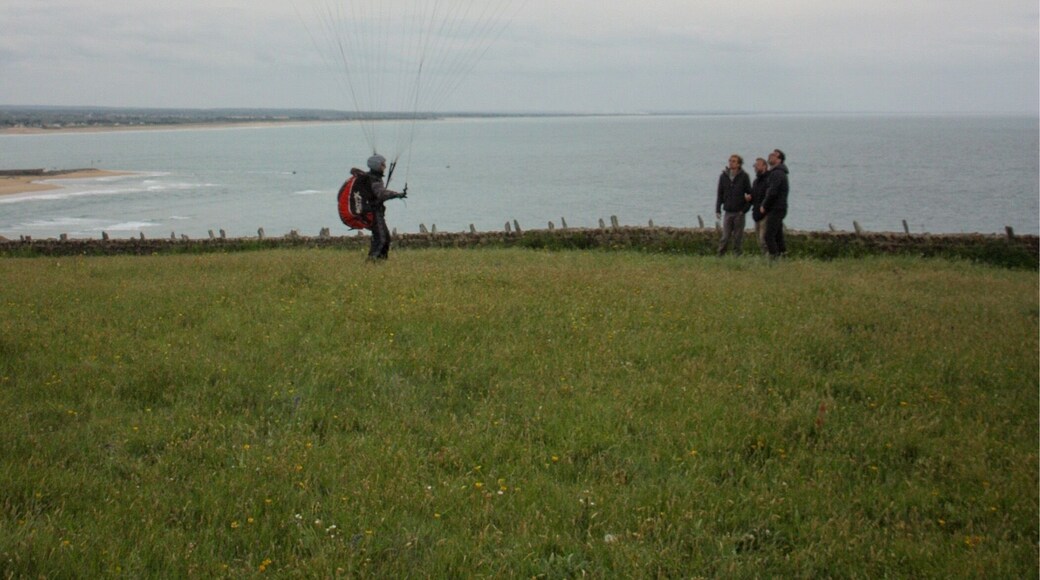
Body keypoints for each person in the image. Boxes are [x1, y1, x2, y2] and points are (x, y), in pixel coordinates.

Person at [363, 154, 407, 261]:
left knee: (385, 238)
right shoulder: (374, 180)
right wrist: (397, 194)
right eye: (383, 165)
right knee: (382, 240)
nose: (385, 167)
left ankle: (380, 264)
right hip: (374, 212)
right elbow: (381, 194)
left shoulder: (373, 177)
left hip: (375, 211)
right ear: (377, 166)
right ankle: (372, 264)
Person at [714, 154, 752, 256]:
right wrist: (718, 209)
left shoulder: (744, 177)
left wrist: (744, 210)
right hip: (728, 211)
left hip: (739, 212)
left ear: (739, 164)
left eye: (734, 161)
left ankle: (737, 256)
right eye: (730, 160)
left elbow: (750, 194)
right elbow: (720, 194)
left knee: (738, 237)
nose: (731, 163)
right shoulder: (723, 176)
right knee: (725, 236)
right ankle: (720, 255)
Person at [759, 149, 789, 259]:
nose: (771, 156)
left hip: (776, 208)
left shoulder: (777, 173)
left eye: (774, 155)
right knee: (778, 234)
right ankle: (783, 255)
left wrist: (764, 205)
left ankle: (774, 258)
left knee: (768, 236)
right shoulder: (775, 172)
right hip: (778, 208)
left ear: (779, 160)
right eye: (771, 154)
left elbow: (772, 191)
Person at [745, 157, 770, 254]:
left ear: (764, 166)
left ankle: (770, 258)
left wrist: (765, 207)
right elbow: (754, 198)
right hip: (756, 213)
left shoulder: (769, 180)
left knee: (763, 239)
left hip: (765, 213)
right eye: (755, 165)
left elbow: (770, 196)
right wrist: (750, 199)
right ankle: (765, 258)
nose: (755, 167)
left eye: (758, 165)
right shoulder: (756, 181)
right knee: (759, 241)